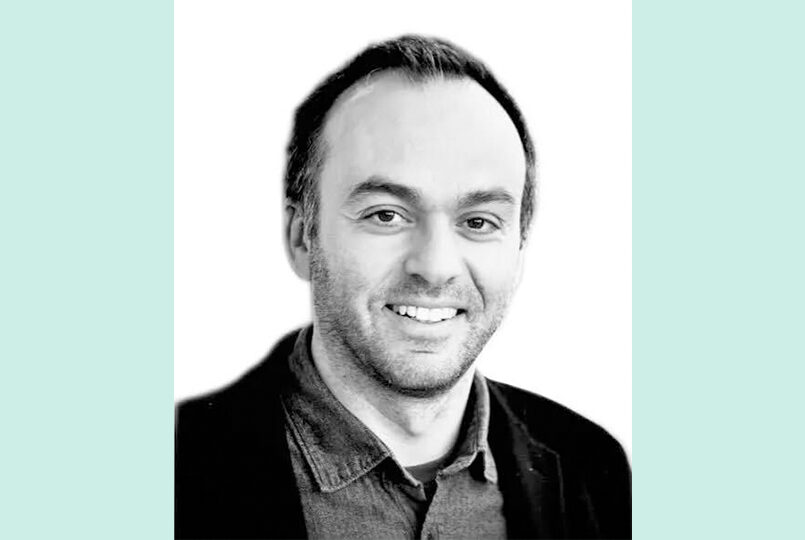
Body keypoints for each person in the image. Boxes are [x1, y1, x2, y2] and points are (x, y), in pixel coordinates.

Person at [175, 35, 631, 539]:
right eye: (386, 215)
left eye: (478, 221)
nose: (435, 267)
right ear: (302, 237)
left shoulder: (594, 469)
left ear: (519, 250)